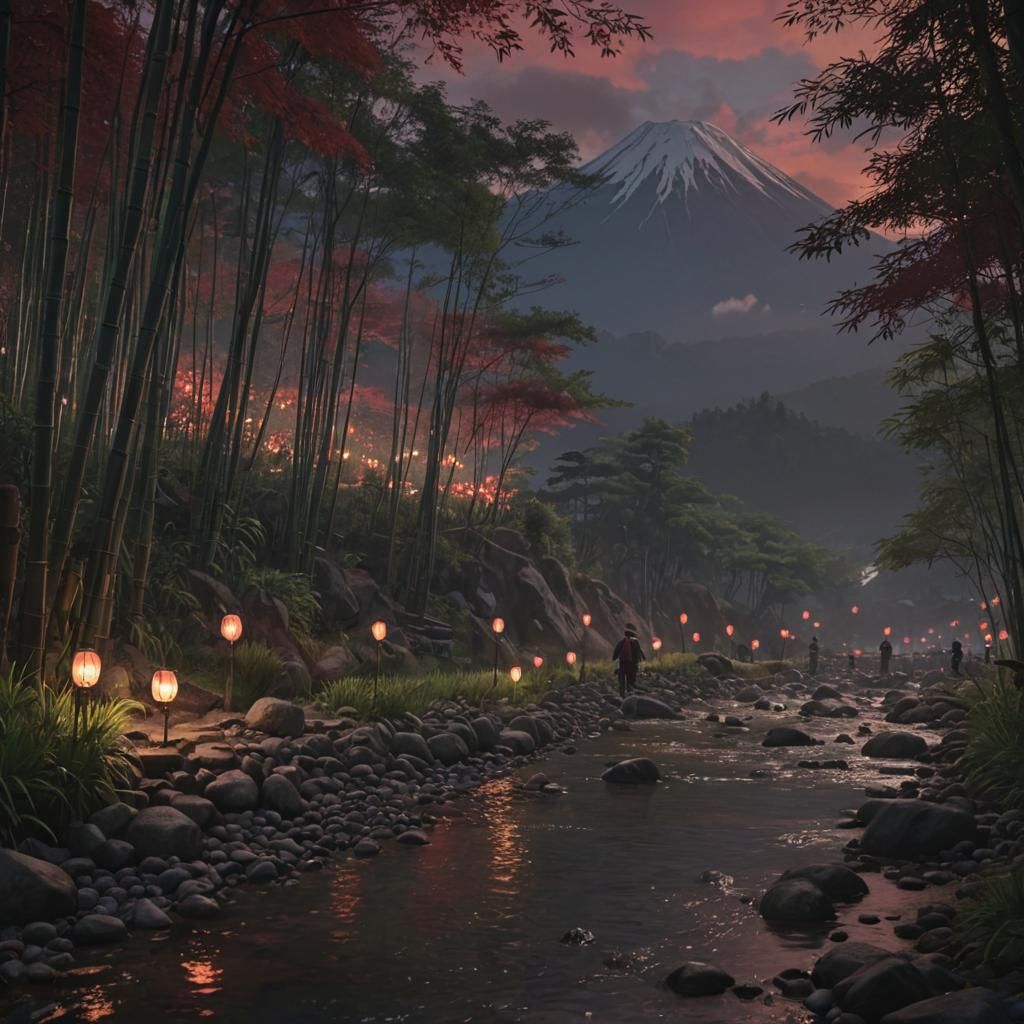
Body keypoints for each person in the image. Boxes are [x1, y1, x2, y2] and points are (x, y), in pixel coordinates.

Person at [613, 624, 645, 698]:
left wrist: (614, 658)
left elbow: (616, 651)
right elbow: (639, 652)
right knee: (629, 680)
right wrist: (640, 660)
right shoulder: (635, 642)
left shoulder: (622, 642)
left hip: (623, 663)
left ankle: (622, 694)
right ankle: (629, 694)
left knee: (622, 681)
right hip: (631, 664)